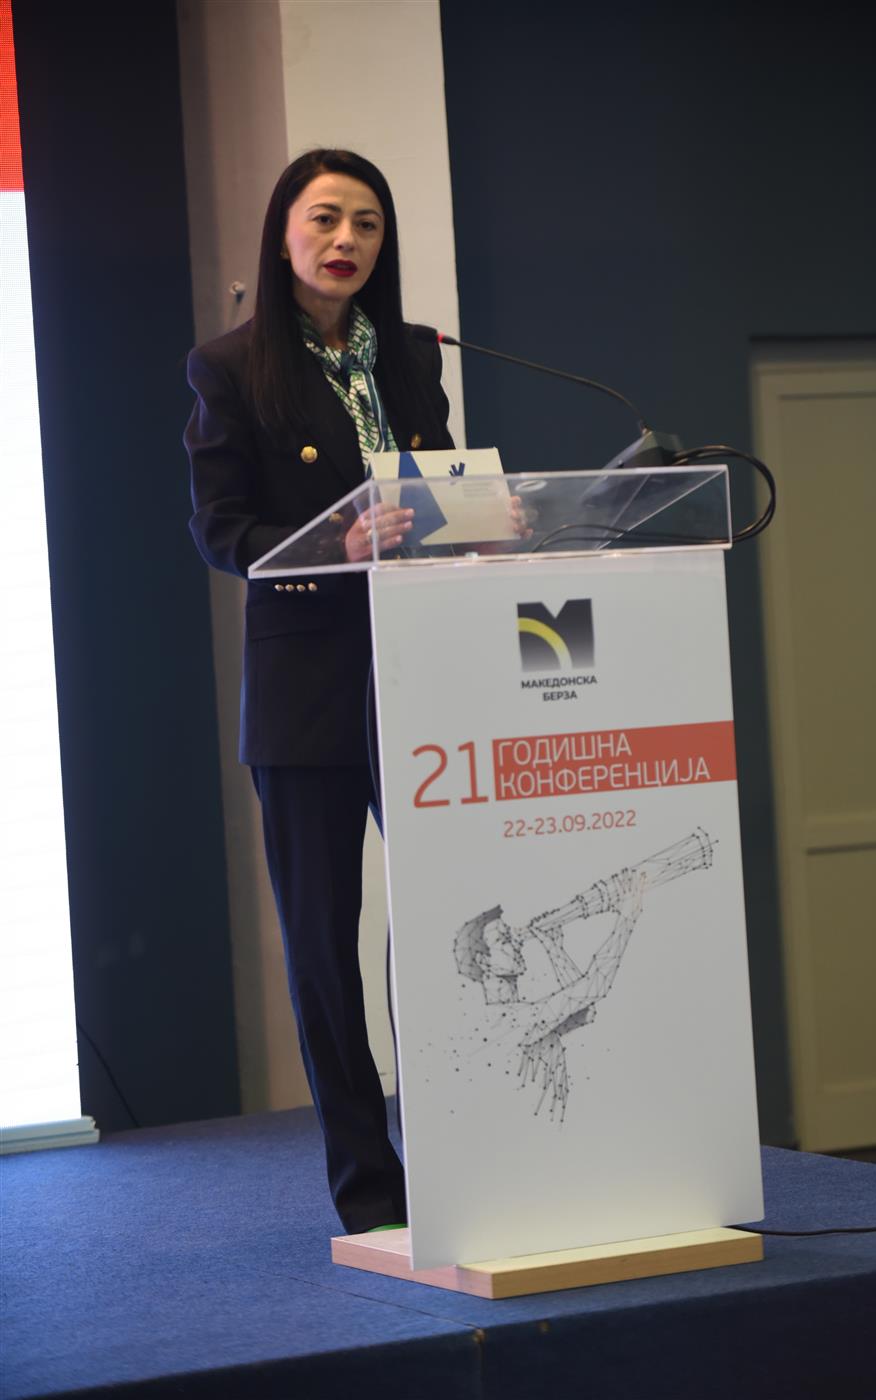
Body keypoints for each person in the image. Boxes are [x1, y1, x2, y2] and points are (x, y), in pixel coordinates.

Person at [184, 148, 453, 1234]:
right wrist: (332, 544)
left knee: (449, 925)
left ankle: (463, 1155)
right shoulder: (230, 366)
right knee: (324, 948)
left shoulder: (414, 355)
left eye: (368, 224)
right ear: (284, 234)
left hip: (430, 677)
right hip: (308, 692)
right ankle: (370, 1185)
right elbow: (221, 531)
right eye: (326, 219)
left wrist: (488, 513)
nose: (347, 241)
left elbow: (439, 488)